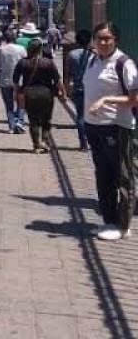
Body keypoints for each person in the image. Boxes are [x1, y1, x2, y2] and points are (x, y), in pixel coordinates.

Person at [83, 22, 138, 241]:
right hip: (93, 126)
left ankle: (123, 225)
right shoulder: (92, 60)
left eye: (108, 39)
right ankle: (108, 220)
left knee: (122, 176)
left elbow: (134, 99)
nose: (103, 43)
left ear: (115, 40)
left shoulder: (124, 64)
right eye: (100, 39)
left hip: (116, 127)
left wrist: (106, 99)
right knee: (103, 175)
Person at [13, 38, 66, 153]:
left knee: (33, 120)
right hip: (47, 93)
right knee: (46, 119)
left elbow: (16, 81)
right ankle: (45, 141)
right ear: (40, 49)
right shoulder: (48, 62)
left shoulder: (22, 62)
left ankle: (37, 145)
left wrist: (16, 94)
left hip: (29, 94)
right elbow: (58, 80)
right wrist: (63, 93)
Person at [0, 30, 27, 134]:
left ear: (5, 38)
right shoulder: (21, 49)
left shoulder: (0, 49)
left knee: (9, 105)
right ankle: (20, 122)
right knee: (21, 103)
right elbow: (25, 63)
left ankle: (11, 126)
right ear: (15, 38)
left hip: (5, 80)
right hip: (20, 80)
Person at [67, 29, 94, 151]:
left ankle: (83, 143)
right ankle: (92, 140)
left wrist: (67, 87)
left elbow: (68, 73)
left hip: (78, 88)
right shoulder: (93, 56)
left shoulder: (72, 55)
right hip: (93, 89)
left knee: (80, 116)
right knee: (92, 116)